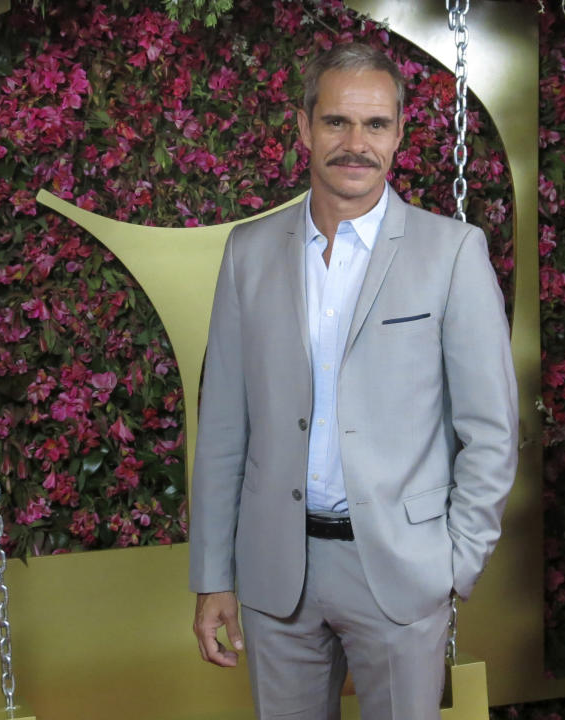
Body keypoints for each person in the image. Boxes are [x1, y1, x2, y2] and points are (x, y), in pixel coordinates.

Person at [189, 42, 518, 720]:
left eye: (375, 125)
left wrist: (456, 562)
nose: (355, 143)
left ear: (399, 134)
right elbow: (224, 425)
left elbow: (490, 429)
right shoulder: (248, 254)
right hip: (278, 571)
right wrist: (213, 575)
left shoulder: (451, 253)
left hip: (402, 573)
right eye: (337, 122)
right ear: (305, 128)